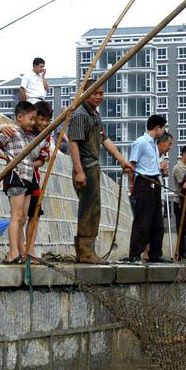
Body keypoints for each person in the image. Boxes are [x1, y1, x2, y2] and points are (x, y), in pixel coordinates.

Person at [67, 79, 133, 263]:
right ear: (85, 93)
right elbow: (73, 143)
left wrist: (121, 160)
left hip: (94, 165)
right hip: (85, 166)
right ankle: (86, 251)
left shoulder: (95, 115)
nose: (98, 96)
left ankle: (87, 251)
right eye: (94, 93)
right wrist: (79, 171)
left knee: (94, 208)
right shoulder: (80, 115)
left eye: (101, 93)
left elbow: (105, 139)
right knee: (89, 208)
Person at [0, 100, 42, 264]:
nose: (33, 122)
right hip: (16, 176)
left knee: (22, 218)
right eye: (31, 118)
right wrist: (8, 158)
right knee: (16, 216)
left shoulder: (25, 133)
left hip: (28, 177)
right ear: (20, 117)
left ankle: (22, 252)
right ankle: (12, 253)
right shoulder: (10, 131)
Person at [125, 116, 171, 263]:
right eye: (163, 128)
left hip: (155, 182)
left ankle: (155, 254)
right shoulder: (141, 142)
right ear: (158, 128)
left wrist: (160, 169)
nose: (163, 131)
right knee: (142, 220)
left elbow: (151, 165)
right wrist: (132, 185)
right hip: (144, 182)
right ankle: (135, 253)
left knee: (157, 222)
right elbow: (132, 166)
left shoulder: (153, 145)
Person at [24, 100, 55, 259]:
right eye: (40, 119)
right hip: (21, 178)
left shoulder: (47, 136)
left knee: (34, 215)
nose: (43, 123)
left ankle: (30, 249)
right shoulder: (25, 131)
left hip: (34, 178)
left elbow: (43, 159)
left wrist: (29, 164)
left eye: (47, 120)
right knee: (21, 216)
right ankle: (18, 251)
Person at [171, 145, 186, 260]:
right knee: (182, 229)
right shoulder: (179, 168)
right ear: (184, 154)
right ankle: (181, 254)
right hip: (180, 203)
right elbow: (185, 186)